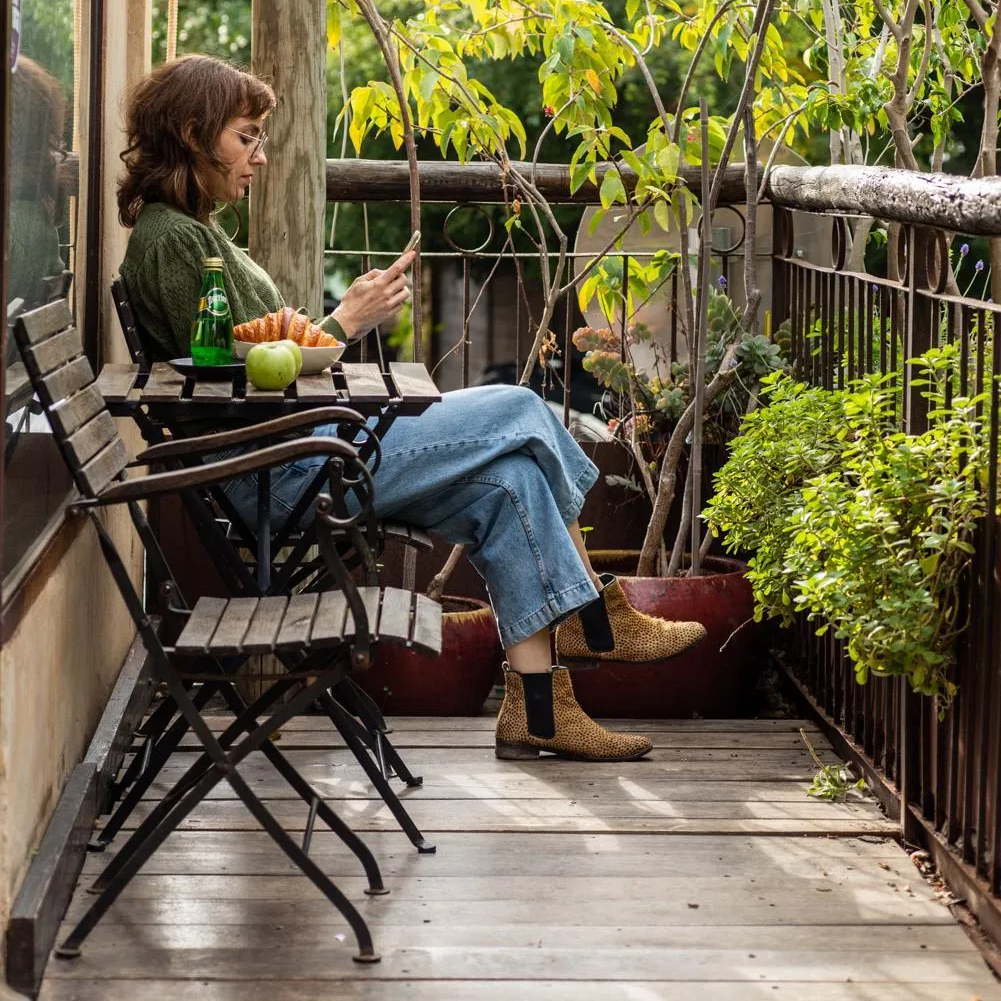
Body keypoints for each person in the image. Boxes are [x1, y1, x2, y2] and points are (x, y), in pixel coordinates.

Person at [118, 55, 707, 761]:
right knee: (522, 410)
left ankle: (540, 711)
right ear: (191, 133)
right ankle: (591, 612)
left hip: (302, 450)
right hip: (285, 471)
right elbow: (238, 379)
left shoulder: (197, 231)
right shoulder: (172, 240)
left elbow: (253, 356)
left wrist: (340, 325)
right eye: (247, 137)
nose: (261, 156)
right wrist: (342, 323)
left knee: (509, 486)